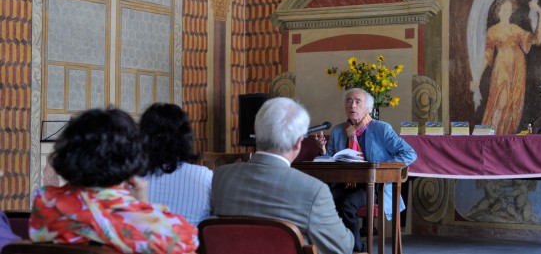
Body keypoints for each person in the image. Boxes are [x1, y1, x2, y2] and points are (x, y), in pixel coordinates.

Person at [29, 108, 198, 254]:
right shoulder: (163, 229)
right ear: (132, 157)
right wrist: (142, 206)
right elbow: (185, 244)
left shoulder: (44, 203)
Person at [211, 97, 354, 254]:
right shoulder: (314, 191)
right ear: (298, 142)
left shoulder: (220, 177)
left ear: (256, 132)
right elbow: (343, 247)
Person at [315, 88, 417, 253]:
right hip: (344, 183)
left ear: (367, 108)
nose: (352, 105)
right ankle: (334, 247)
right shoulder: (338, 131)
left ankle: (357, 249)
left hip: (374, 186)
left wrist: (382, 169)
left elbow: (409, 153)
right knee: (321, 201)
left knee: (347, 204)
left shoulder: (381, 129)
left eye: (357, 102)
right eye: (349, 101)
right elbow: (330, 161)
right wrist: (322, 150)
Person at [470, 0, 541, 134]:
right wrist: (477, 79)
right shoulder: (493, 31)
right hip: (502, 68)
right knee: (501, 102)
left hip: (518, 69)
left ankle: (506, 137)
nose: (506, 12)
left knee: (513, 104)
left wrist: (540, 13)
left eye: (509, 9)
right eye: (504, 9)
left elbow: (537, 39)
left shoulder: (516, 29)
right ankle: (494, 135)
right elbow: (487, 56)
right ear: (498, 11)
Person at [140, 102, 213, 226]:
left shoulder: (131, 180)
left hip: (143, 244)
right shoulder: (205, 176)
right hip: (192, 244)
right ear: (186, 137)